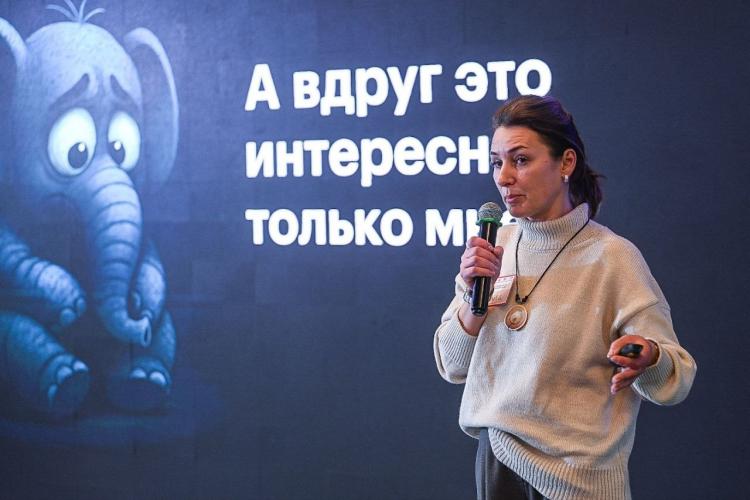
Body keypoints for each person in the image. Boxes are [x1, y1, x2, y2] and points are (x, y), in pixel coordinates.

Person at [433, 95, 696, 500]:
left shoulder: (612, 257)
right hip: (498, 462)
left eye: (520, 160)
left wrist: (649, 357)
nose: (504, 177)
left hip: (578, 481)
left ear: (566, 163)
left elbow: (675, 378)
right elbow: (452, 365)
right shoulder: (493, 248)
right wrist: (472, 298)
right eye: (496, 163)